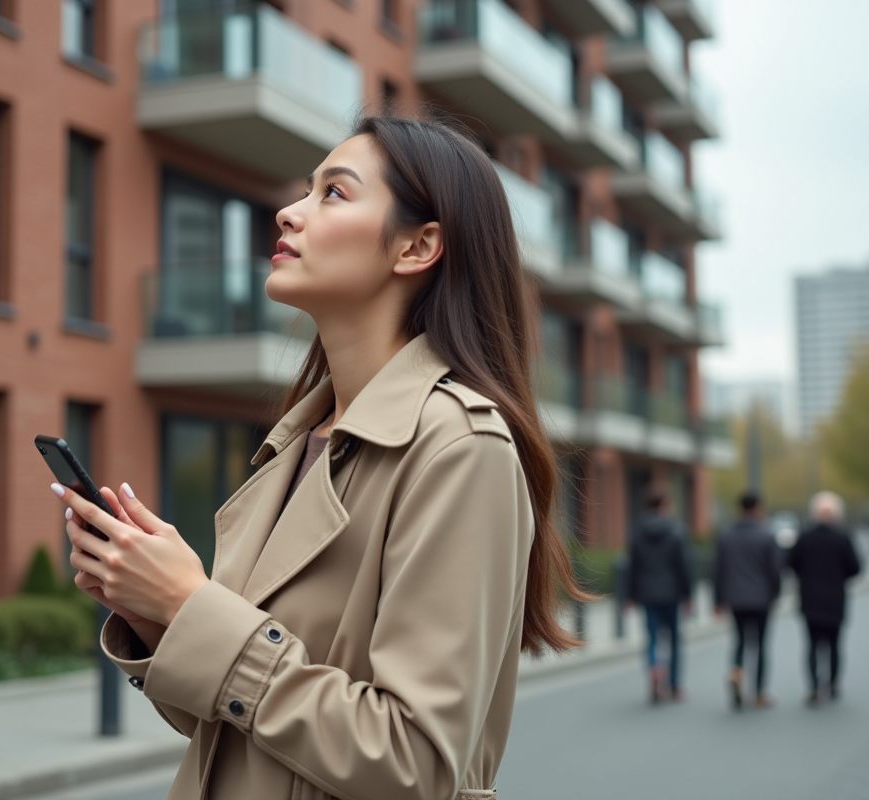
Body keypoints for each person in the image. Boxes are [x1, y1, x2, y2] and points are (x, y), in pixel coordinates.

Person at [53, 114, 588, 800]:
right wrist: (161, 615)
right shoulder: (297, 445)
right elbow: (232, 729)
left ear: (418, 246)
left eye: (333, 193)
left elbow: (413, 765)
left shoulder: (462, 447)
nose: (290, 210)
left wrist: (194, 603)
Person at [788, 491, 862, 706]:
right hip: (834, 599)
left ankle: (813, 686)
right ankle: (833, 683)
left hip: (809, 598)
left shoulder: (805, 537)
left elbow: (791, 564)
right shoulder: (842, 538)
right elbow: (855, 568)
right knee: (834, 644)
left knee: (811, 644)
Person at [713, 490, 782, 710]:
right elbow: (774, 570)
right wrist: (775, 594)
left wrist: (718, 600)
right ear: (758, 509)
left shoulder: (725, 535)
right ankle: (760, 692)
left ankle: (736, 672)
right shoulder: (766, 535)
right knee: (760, 645)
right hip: (761, 598)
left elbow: (717, 571)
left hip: (735, 598)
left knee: (740, 641)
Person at [626, 486, 693, 703]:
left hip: (647, 592)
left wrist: (629, 596)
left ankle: (655, 668)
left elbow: (632, 566)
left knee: (652, 637)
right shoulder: (676, 531)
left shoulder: (637, 532)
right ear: (664, 506)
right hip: (672, 592)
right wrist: (688, 595)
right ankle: (673, 686)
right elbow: (683, 565)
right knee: (674, 639)